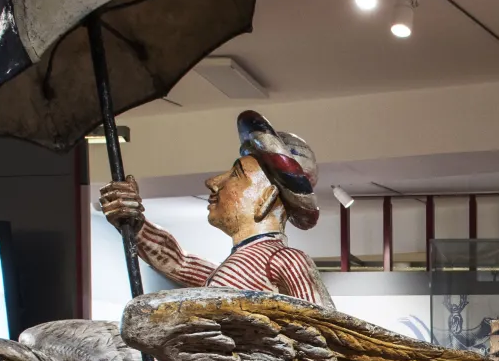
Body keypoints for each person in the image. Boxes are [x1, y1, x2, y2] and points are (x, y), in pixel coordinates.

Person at [98, 110, 335, 309]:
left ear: (266, 197)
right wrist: (133, 221)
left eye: (236, 175)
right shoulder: (239, 267)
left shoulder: (285, 260)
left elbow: (327, 330)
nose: (213, 181)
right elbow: (179, 263)